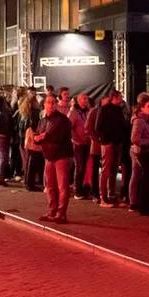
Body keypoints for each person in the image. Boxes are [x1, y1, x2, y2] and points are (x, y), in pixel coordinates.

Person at [34, 95, 73, 223]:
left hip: (61, 156)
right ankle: (52, 211)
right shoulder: (43, 120)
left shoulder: (62, 120)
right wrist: (39, 137)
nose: (51, 105)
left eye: (53, 102)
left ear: (56, 105)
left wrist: (43, 136)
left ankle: (61, 213)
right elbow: (38, 135)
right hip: (49, 157)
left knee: (62, 186)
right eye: (48, 103)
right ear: (44, 105)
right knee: (50, 186)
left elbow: (56, 136)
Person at [96, 90, 127, 206]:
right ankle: (103, 197)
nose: (122, 99)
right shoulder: (104, 109)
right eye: (120, 97)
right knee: (106, 170)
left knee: (113, 170)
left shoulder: (119, 110)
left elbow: (122, 125)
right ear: (114, 97)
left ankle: (112, 195)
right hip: (108, 143)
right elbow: (98, 127)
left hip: (117, 142)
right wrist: (105, 140)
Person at [69, 93, 92, 199]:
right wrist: (75, 138)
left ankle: (83, 188)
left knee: (85, 167)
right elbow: (69, 127)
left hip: (87, 143)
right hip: (78, 143)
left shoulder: (88, 111)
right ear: (78, 100)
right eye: (84, 98)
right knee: (79, 167)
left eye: (86, 98)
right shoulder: (74, 113)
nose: (86, 100)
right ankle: (77, 191)